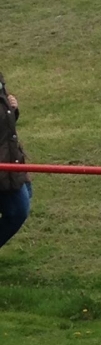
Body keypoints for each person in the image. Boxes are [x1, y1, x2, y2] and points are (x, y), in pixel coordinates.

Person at [0, 72, 32, 249]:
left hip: (12, 161)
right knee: (17, 211)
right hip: (4, 167)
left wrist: (12, 109)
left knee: (24, 199)